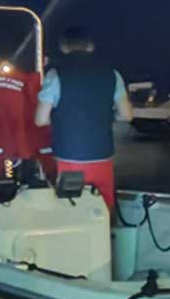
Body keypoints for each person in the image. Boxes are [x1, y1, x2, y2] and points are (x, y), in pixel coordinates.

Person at [35, 27, 131, 211]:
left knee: (71, 208)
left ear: (63, 47)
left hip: (68, 156)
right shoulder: (112, 74)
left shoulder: (56, 74)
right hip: (102, 155)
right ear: (91, 47)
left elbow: (40, 120)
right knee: (103, 208)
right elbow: (126, 115)